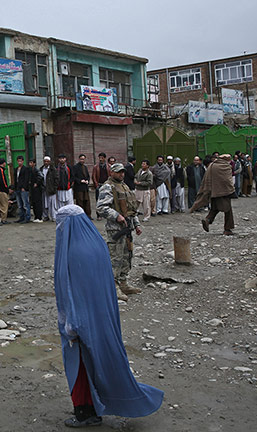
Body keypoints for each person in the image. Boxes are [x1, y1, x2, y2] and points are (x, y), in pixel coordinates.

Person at [54, 204, 163, 427]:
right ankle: (99, 404)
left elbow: (73, 291)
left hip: (80, 322)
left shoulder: (73, 251)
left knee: (81, 366)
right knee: (102, 360)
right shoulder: (96, 244)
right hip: (101, 318)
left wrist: (72, 324)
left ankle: (85, 413)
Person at [96, 163, 142, 302]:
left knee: (126, 256)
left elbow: (131, 209)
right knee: (115, 257)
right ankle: (113, 286)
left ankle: (123, 282)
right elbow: (101, 207)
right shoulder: (107, 187)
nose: (121, 174)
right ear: (112, 173)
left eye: (123, 172)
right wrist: (117, 216)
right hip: (115, 229)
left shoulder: (125, 186)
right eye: (118, 172)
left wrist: (137, 224)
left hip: (127, 228)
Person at [190, 154, 236, 236]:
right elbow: (228, 180)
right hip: (224, 192)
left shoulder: (212, 165)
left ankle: (208, 220)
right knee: (228, 210)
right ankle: (227, 229)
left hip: (213, 192)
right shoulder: (226, 167)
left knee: (215, 208)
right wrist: (231, 189)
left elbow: (207, 178)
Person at [13, 155, 32, 223]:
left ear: (23, 161)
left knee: (25, 204)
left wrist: (24, 187)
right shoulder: (16, 169)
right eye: (18, 161)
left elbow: (26, 179)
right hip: (17, 188)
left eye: (20, 161)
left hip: (23, 189)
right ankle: (21, 217)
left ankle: (27, 217)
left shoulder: (25, 169)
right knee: (20, 204)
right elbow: (15, 179)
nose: (19, 162)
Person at [72, 154, 92, 219]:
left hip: (85, 187)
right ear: (79, 159)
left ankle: (88, 215)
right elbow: (74, 177)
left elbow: (88, 176)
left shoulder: (85, 167)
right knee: (80, 201)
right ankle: (81, 215)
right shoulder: (75, 167)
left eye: (83, 159)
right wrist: (80, 181)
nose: (82, 160)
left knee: (87, 201)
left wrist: (87, 181)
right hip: (79, 187)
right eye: (81, 159)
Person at [41, 156, 58, 221]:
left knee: (52, 204)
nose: (46, 162)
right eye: (45, 161)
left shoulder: (53, 170)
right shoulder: (41, 169)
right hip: (44, 189)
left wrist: (54, 188)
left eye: (47, 161)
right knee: (44, 204)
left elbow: (56, 179)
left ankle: (54, 216)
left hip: (51, 189)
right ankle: (45, 216)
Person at [0, 158, 11, 224]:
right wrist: (7, 189)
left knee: (0, 205)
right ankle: (3, 219)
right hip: (2, 191)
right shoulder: (1, 171)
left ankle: (1, 218)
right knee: (4, 205)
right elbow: (3, 181)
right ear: (3, 163)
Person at [28, 158, 44, 223]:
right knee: (34, 203)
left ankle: (39, 217)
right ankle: (36, 216)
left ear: (34, 163)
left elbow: (41, 176)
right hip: (32, 189)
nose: (30, 164)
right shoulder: (30, 170)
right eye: (29, 163)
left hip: (37, 189)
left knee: (38, 203)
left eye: (31, 163)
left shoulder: (37, 170)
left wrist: (37, 183)